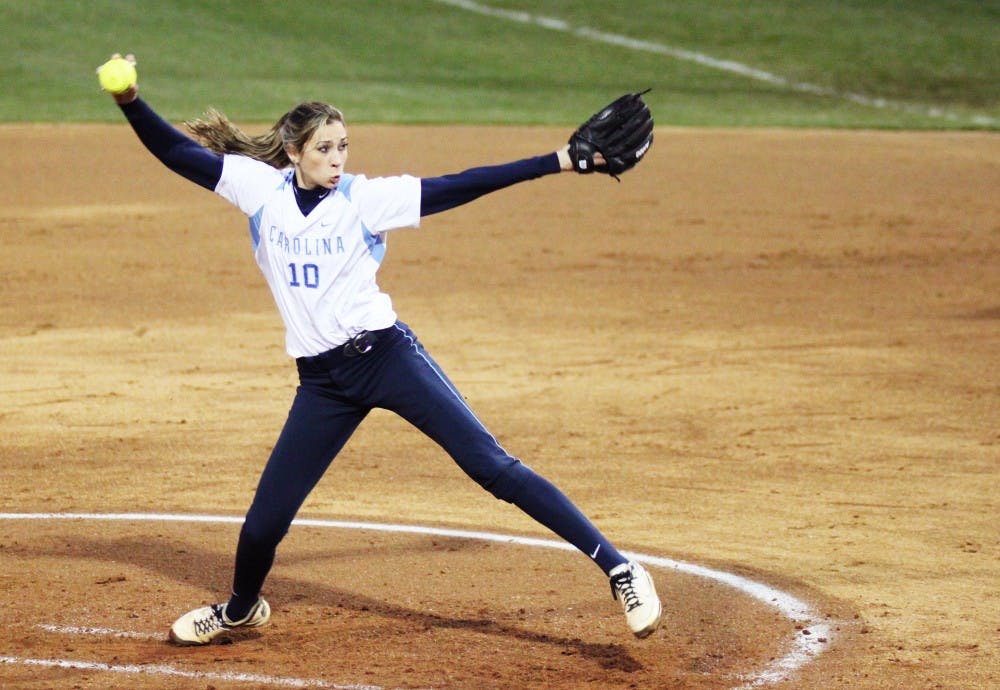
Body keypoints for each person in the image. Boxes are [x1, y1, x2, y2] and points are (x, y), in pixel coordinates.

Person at [99, 54, 661, 645]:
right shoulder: (259, 189)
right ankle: (241, 609)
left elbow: (462, 184)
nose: (337, 159)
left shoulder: (366, 200)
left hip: (388, 359)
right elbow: (177, 154)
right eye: (324, 149)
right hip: (322, 384)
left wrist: (559, 161)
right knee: (264, 524)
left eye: (343, 146)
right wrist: (130, 100)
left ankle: (620, 568)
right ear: (293, 153)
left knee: (491, 466)